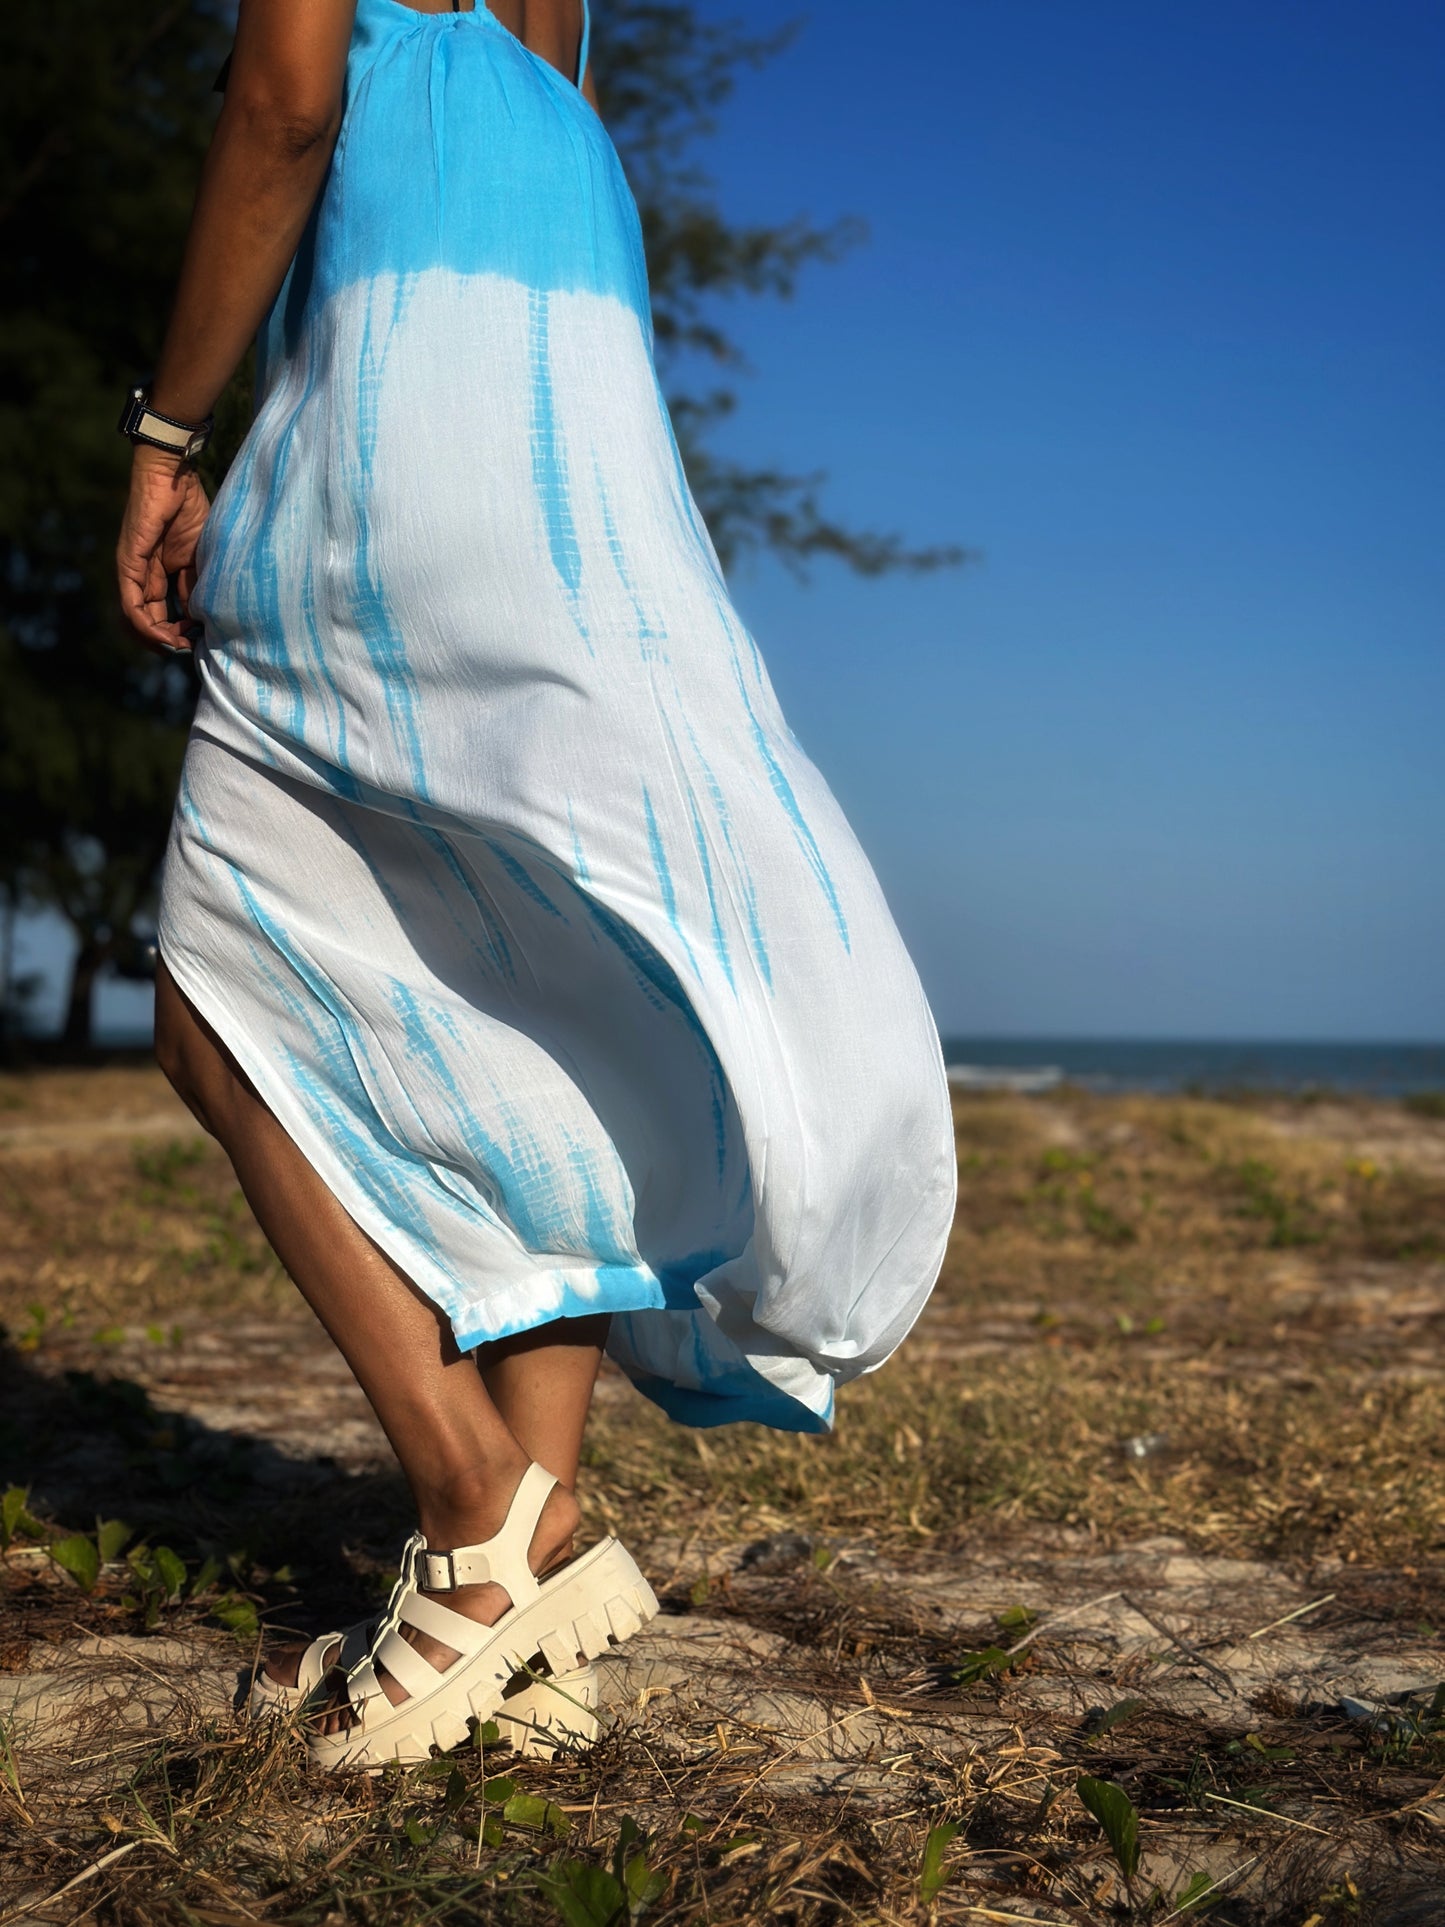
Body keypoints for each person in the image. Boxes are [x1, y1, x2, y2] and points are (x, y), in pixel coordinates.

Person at [115, 0, 955, 1772]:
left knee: (209, 1001)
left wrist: (172, 432)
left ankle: (478, 1510)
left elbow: (285, 102)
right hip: (576, 438)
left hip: (412, 413)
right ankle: (533, 1583)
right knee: (530, 979)